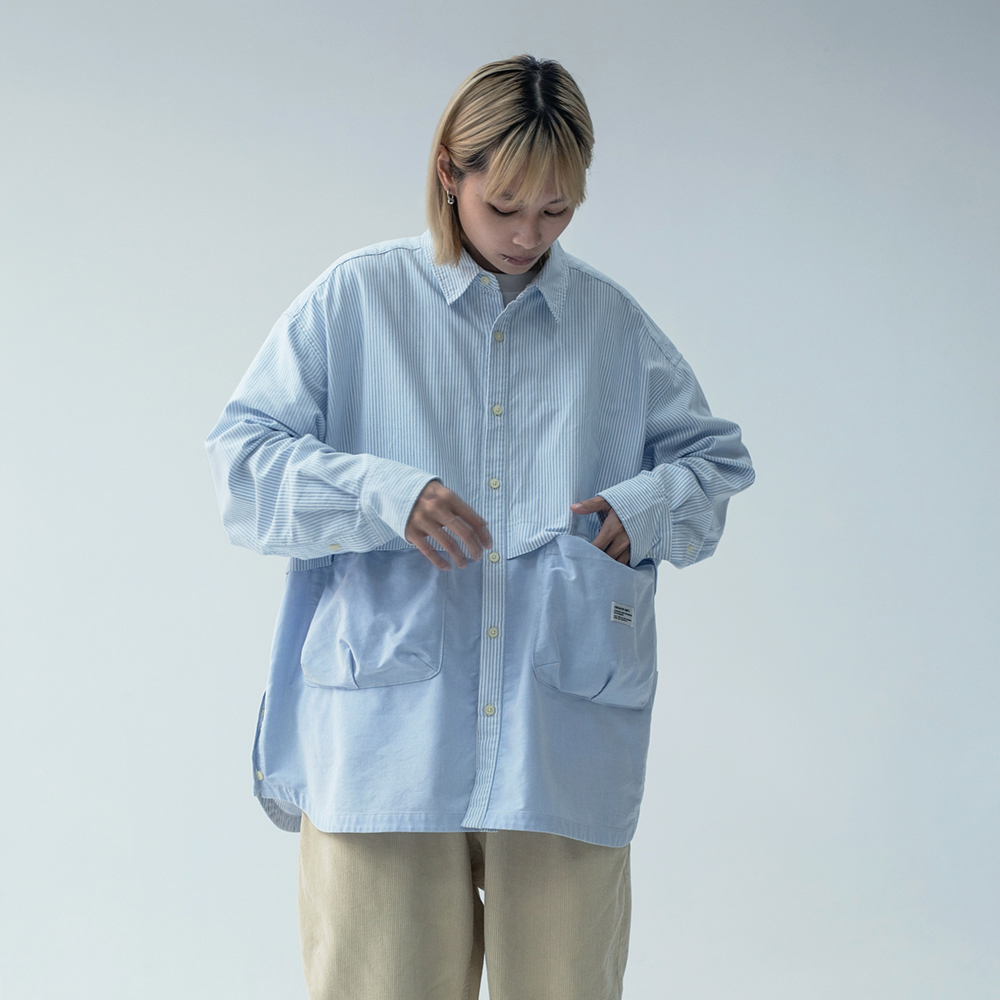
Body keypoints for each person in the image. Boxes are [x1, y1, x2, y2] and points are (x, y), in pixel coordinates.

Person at [206, 54, 754, 1000]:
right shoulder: (356, 300)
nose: (528, 234)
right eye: (504, 206)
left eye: (556, 210)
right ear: (448, 175)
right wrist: (382, 493)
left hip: (559, 735)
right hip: (385, 736)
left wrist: (644, 510)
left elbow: (715, 462)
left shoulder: (613, 327)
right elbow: (242, 464)